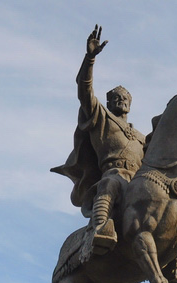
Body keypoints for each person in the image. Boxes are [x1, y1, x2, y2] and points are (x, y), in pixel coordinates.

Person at [51, 25, 145, 259]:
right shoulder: (101, 118)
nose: (121, 100)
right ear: (109, 102)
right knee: (110, 184)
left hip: (140, 181)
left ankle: (173, 256)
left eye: (125, 98)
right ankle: (101, 227)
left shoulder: (143, 137)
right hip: (114, 174)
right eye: (115, 98)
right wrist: (90, 59)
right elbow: (84, 91)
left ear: (130, 104)